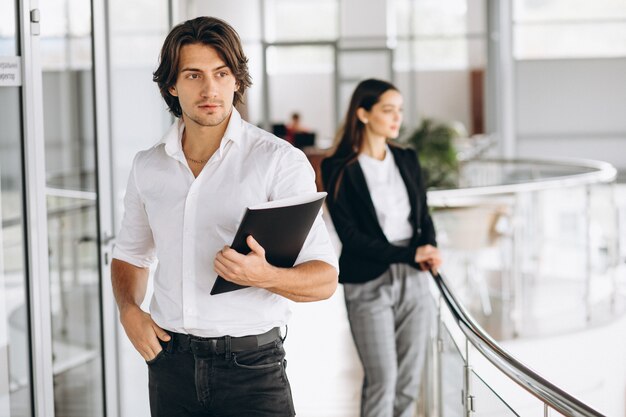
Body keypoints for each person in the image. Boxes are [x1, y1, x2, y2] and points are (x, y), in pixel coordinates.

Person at [111, 16, 338, 417]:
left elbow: (323, 279)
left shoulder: (278, 163)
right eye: (194, 74)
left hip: (252, 370)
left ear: (237, 80)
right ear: (171, 85)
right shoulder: (148, 166)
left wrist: (264, 276)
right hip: (170, 365)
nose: (210, 88)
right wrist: (129, 310)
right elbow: (131, 254)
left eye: (221, 73)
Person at [321, 79, 442, 417]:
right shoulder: (339, 167)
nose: (396, 118)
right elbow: (350, 235)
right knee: (382, 380)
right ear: (363, 113)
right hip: (367, 280)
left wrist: (429, 245)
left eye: (399, 111)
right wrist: (409, 254)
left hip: (415, 277)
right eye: (388, 110)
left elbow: (423, 214)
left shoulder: (406, 158)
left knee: (407, 382)